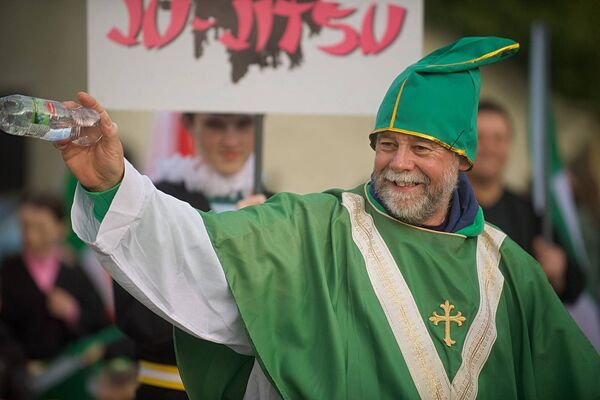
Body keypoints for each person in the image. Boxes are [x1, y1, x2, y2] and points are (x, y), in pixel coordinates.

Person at [58, 37, 599, 399]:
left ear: (461, 159)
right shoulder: (316, 227)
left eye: (421, 147)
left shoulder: (511, 273)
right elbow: (196, 252)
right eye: (386, 143)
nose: (399, 163)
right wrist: (112, 183)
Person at [113, 112, 266, 399]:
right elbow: (138, 317)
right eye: (216, 124)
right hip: (170, 389)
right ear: (189, 125)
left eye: (244, 123)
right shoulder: (155, 202)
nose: (230, 140)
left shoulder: (276, 207)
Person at [467, 100, 584, 303]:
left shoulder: (529, 213)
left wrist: (559, 270)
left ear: (509, 144)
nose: (489, 147)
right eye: (480, 137)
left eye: (498, 138)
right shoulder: (444, 207)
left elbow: (575, 285)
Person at [0, 192, 108, 363]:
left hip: (66, 371)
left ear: (61, 227)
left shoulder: (73, 271)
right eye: (25, 226)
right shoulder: (9, 270)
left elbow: (98, 321)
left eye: (40, 228)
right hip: (20, 373)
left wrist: (73, 312)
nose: (31, 236)